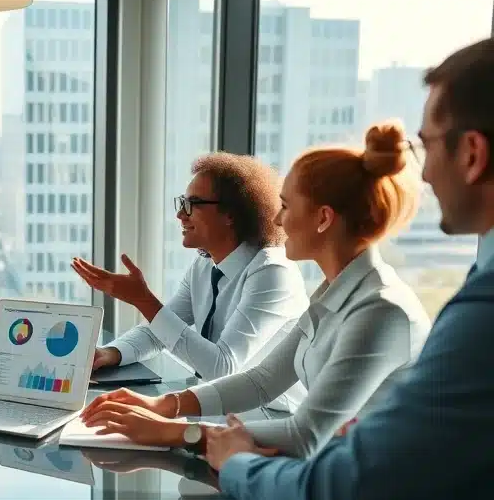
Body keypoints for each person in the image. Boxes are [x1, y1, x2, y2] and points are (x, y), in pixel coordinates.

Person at [202, 37, 494, 500]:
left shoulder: (473, 313)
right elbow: (269, 382)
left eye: (428, 147)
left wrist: (234, 461)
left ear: (472, 153)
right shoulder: (333, 295)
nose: (422, 174)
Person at [81, 121, 430, 459]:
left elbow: (305, 434)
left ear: (323, 218)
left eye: (287, 206)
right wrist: (163, 405)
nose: (277, 221)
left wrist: (174, 430)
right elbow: (262, 380)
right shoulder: (332, 293)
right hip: (324, 468)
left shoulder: (381, 310)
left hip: (361, 494)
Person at [72, 153, 308, 386]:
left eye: (192, 204)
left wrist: (143, 300)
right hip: (221, 407)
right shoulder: (205, 265)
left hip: (270, 415)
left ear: (230, 214)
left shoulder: (272, 272)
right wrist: (111, 353)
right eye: (182, 203)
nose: (180, 215)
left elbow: (221, 367)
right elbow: (159, 331)